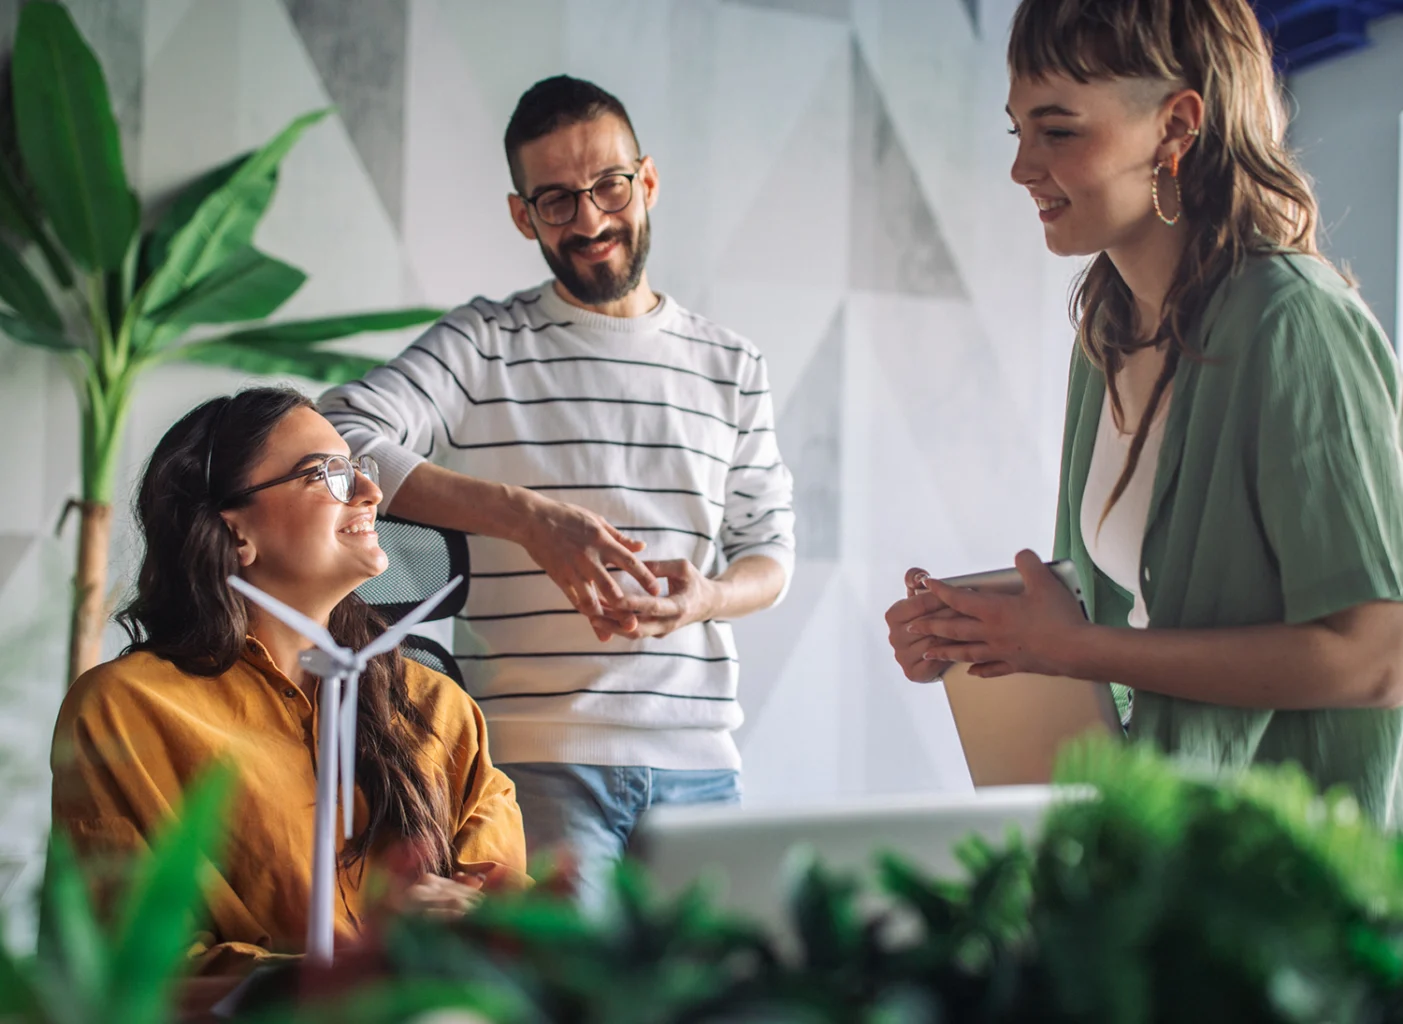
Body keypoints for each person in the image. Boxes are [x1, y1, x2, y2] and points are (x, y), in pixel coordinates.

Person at [886, 0, 1403, 824]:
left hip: (1276, 892)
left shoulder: (1295, 321)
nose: (1022, 167)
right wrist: (987, 639)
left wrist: (1073, 649)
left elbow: (1376, 660)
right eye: (1016, 131)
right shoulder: (1105, 329)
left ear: (1175, 125)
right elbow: (1114, 636)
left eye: (1057, 131)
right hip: (1143, 864)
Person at [319, 76, 796, 903]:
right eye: (555, 201)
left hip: (702, 765)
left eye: (608, 186)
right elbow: (342, 437)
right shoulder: (481, 344)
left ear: (645, 181)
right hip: (534, 766)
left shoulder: (733, 365)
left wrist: (707, 597)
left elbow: (772, 553)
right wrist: (523, 518)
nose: (589, 219)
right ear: (522, 216)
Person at [51, 388, 527, 983]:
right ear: (236, 533)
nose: (369, 493)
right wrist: (354, 975)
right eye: (325, 474)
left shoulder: (439, 708)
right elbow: (133, 964)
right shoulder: (126, 709)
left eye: (359, 468)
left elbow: (517, 914)